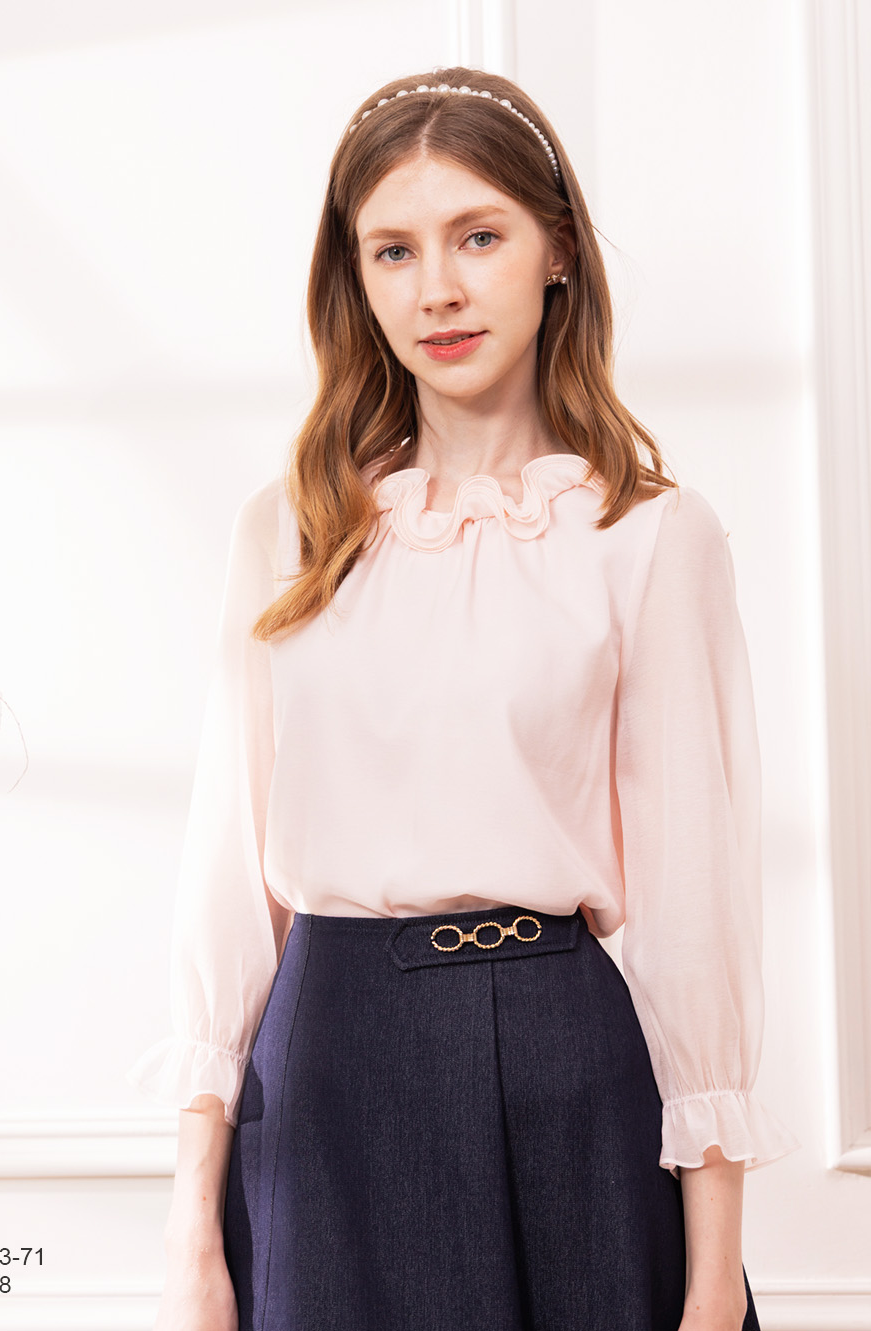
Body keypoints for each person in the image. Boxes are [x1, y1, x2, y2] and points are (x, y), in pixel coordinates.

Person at [126, 64, 802, 1331]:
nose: (434, 287)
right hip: (326, 1076)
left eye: (476, 236)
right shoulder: (290, 531)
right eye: (393, 250)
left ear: (557, 251)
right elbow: (227, 881)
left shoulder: (648, 536)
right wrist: (189, 1226)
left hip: (568, 1066)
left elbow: (694, 905)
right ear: (356, 280)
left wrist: (713, 1276)